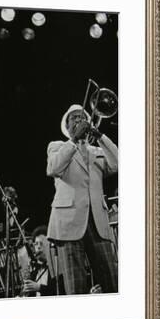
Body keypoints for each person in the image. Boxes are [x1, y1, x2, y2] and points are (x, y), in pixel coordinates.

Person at [45, 104, 118, 295]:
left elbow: (117, 163)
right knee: (76, 288)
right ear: (67, 126)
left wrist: (99, 135)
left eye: (82, 117)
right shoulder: (58, 146)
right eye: (73, 118)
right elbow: (53, 168)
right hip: (69, 224)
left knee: (111, 282)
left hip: (97, 223)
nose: (78, 120)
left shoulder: (96, 150)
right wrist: (75, 139)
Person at [21, 225, 65, 296]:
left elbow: (60, 291)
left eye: (41, 244)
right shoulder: (34, 271)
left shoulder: (57, 266)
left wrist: (39, 288)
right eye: (36, 244)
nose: (38, 247)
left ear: (49, 246)